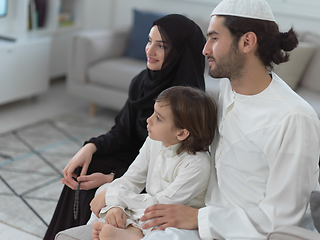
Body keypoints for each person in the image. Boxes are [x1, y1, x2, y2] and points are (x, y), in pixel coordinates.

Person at [137, 0, 320, 239]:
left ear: (247, 42)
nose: (205, 49)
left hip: (248, 233)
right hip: (208, 219)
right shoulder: (228, 89)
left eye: (214, 38)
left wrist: (197, 218)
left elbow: (282, 218)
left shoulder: (294, 117)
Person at [44, 14, 206, 240]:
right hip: (140, 160)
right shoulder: (142, 81)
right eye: (149, 41)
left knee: (95, 181)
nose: (150, 50)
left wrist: (111, 181)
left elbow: (162, 174)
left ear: (180, 51)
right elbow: (122, 132)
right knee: (85, 169)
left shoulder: (185, 104)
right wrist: (90, 147)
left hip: (157, 177)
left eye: (161, 46)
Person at [90, 86, 217, 240]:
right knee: (105, 189)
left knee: (162, 225)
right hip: (147, 206)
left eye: (158, 118)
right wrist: (115, 205)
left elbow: (163, 204)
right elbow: (131, 179)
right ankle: (125, 227)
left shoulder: (198, 165)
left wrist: (115, 196)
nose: (148, 120)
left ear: (182, 133)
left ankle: (131, 233)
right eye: (153, 113)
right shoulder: (153, 141)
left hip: (169, 215)